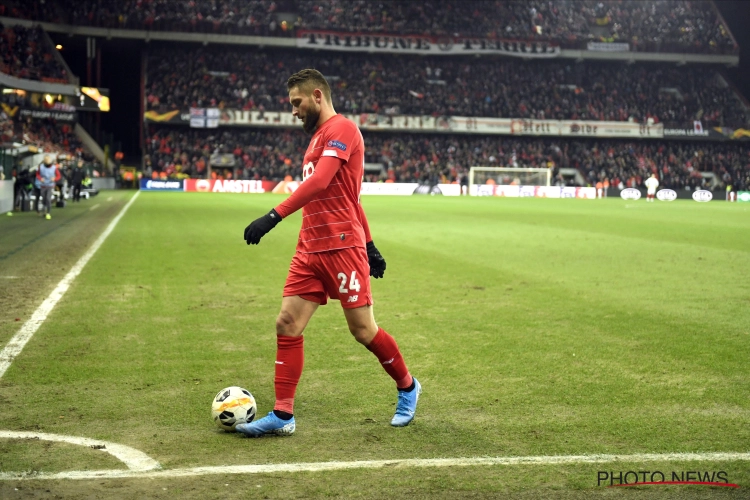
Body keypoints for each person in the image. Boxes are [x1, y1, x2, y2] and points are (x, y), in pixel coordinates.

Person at [237, 69, 421, 437]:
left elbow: (320, 183)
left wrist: (273, 216)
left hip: (340, 247)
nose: (293, 111)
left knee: (363, 330)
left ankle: (408, 387)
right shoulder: (316, 139)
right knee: (286, 323)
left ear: (317, 95)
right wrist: (371, 243)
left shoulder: (343, 130)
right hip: (309, 248)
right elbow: (349, 197)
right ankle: (283, 415)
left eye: (297, 102)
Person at [36, 155, 60, 219]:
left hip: (50, 185)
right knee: (44, 199)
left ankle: (48, 212)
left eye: (48, 160)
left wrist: (54, 179)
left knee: (48, 198)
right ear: (44, 160)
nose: (47, 161)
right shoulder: (41, 167)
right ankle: (44, 211)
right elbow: (37, 174)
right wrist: (40, 178)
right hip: (43, 185)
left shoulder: (54, 168)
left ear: (50, 160)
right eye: (45, 160)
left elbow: (58, 176)